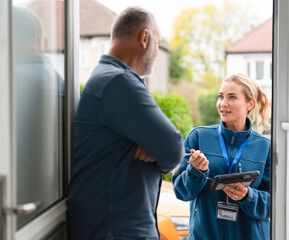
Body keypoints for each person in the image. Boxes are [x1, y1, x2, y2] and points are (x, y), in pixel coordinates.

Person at [67, 7, 184, 240]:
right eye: (158, 44)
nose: (157, 53)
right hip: (115, 230)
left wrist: (154, 146)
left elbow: (164, 145)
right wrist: (156, 147)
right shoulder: (117, 81)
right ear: (144, 38)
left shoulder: (108, 77)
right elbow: (172, 147)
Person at [172, 73, 271, 239]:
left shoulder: (265, 146)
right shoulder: (198, 137)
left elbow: (274, 204)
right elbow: (181, 192)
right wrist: (196, 171)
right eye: (221, 96)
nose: (223, 104)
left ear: (250, 104)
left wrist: (248, 196)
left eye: (232, 97)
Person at [13, 6, 64, 227]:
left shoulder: (9, 85)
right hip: (53, 217)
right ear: (43, 43)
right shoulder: (63, 84)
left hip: (18, 219)